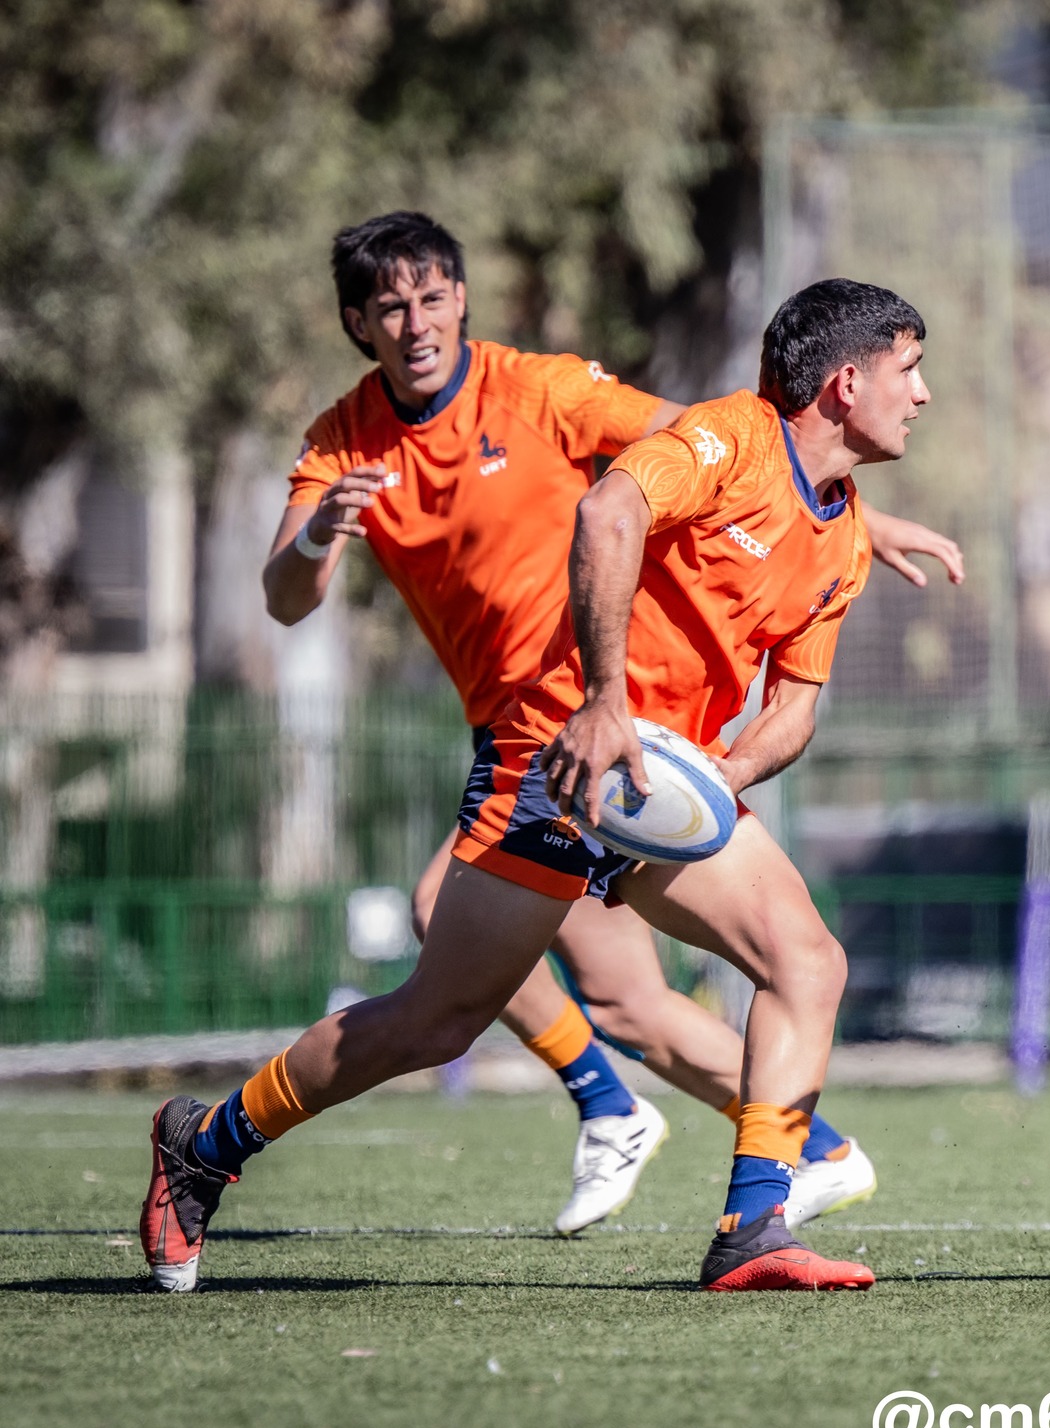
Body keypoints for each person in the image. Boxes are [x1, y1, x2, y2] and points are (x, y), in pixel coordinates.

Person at [137, 223, 943, 1288]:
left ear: (461, 301)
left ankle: (755, 1224)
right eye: (910, 372)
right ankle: (203, 1145)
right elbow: (613, 505)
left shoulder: (820, 524)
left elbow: (793, 707)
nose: (923, 394)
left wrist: (720, 783)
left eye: (433, 298)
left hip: (655, 778)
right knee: (437, 1017)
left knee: (804, 961)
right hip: (552, 747)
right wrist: (603, 701)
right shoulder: (717, 440)